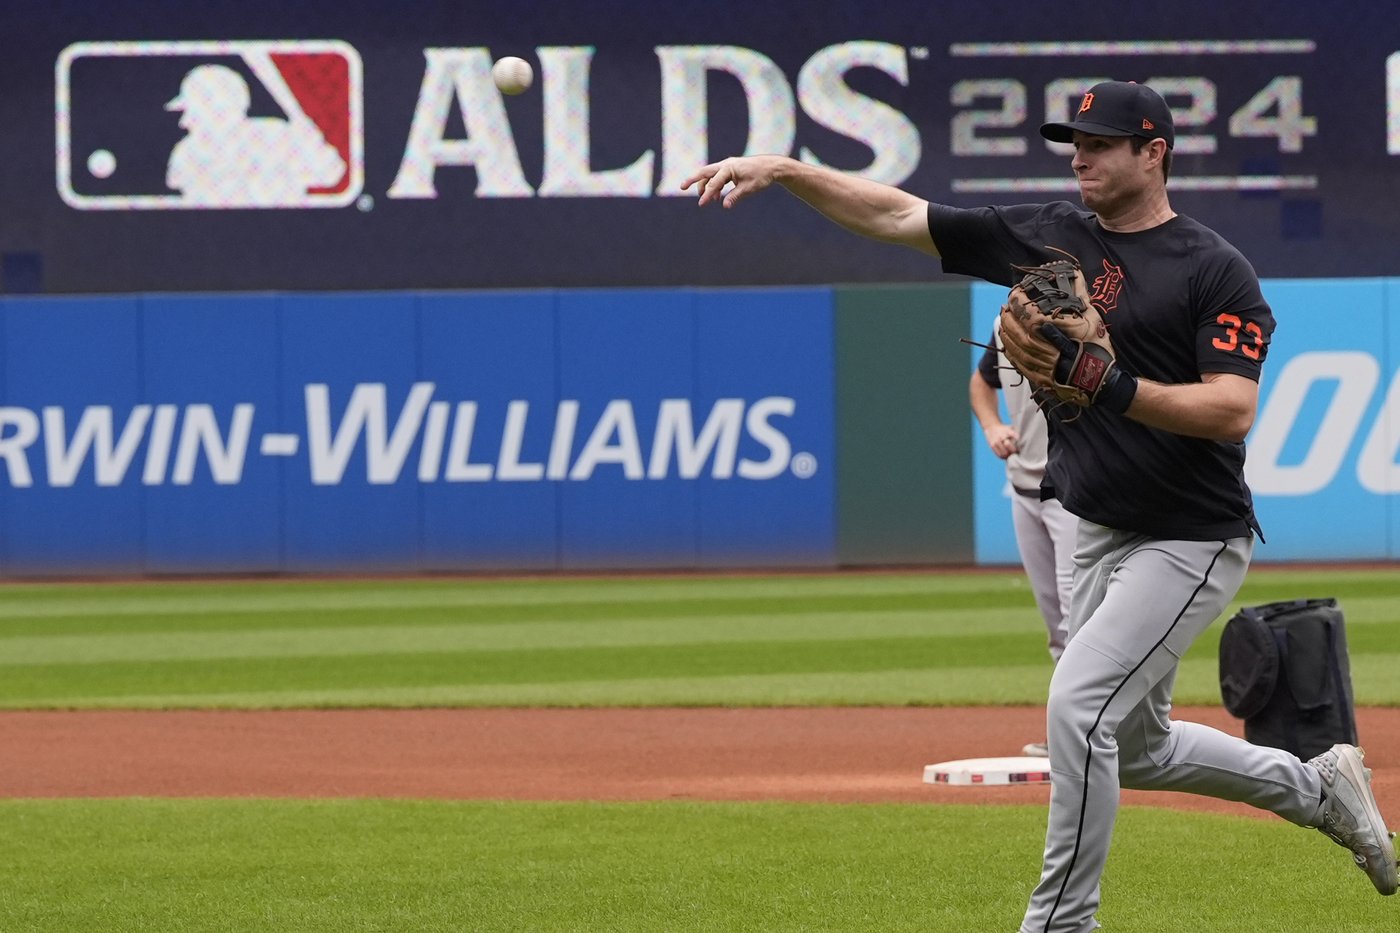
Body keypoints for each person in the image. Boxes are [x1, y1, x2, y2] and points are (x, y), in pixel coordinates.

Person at [683, 79, 1397, 930]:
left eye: (1099, 142)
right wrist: (788, 169)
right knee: (1138, 747)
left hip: (1189, 534)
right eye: (1075, 141)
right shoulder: (1048, 238)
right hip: (1092, 528)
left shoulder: (1213, 268)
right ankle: (1319, 787)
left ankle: (1062, 920)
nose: (1079, 155)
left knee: (1077, 707)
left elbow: (1231, 408)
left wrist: (1110, 382)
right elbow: (898, 215)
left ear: (1153, 152)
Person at [969, 316, 1077, 759]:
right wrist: (992, 426)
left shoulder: (1081, 326)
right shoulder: (1004, 325)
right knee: (1057, 624)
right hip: (1023, 489)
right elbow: (981, 382)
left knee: (1080, 619)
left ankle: (1090, 732)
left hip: (1072, 492)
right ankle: (1067, 733)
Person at [165, 64, 345, 207]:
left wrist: (312, 145)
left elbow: (331, 174)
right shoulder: (188, 151)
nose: (184, 122)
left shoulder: (278, 136)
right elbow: (188, 208)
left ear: (219, 112)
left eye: (193, 113)